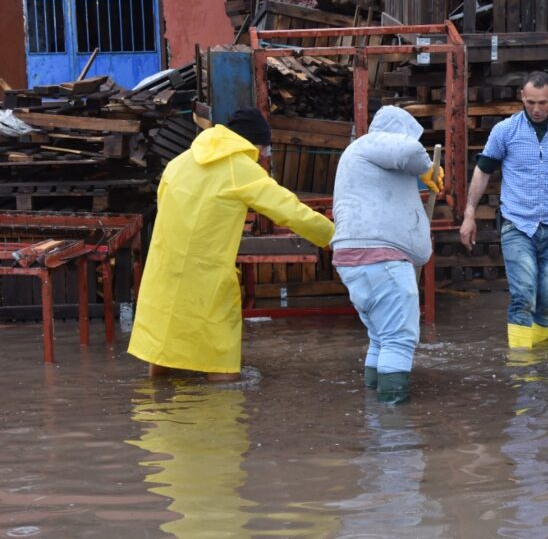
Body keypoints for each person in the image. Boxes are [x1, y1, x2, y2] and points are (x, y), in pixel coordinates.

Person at [128, 108, 334, 381]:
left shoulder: (180, 162)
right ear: (253, 142)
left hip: (164, 273)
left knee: (162, 353)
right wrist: (335, 236)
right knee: (220, 366)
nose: (263, 154)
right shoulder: (240, 168)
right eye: (263, 147)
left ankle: (159, 419)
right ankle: (220, 420)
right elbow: (289, 210)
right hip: (205, 277)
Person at [459, 71, 548, 350]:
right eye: (530, 101)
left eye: (542, 103)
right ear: (522, 97)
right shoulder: (505, 131)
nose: (536, 109)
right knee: (523, 295)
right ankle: (523, 370)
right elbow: (482, 171)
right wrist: (469, 214)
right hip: (517, 225)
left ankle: (541, 361)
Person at [331, 105, 443, 405]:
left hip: (357, 260)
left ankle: (374, 412)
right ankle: (394, 425)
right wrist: (427, 167)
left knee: (381, 338)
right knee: (398, 339)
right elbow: (410, 151)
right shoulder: (373, 143)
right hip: (380, 259)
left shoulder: (362, 157)